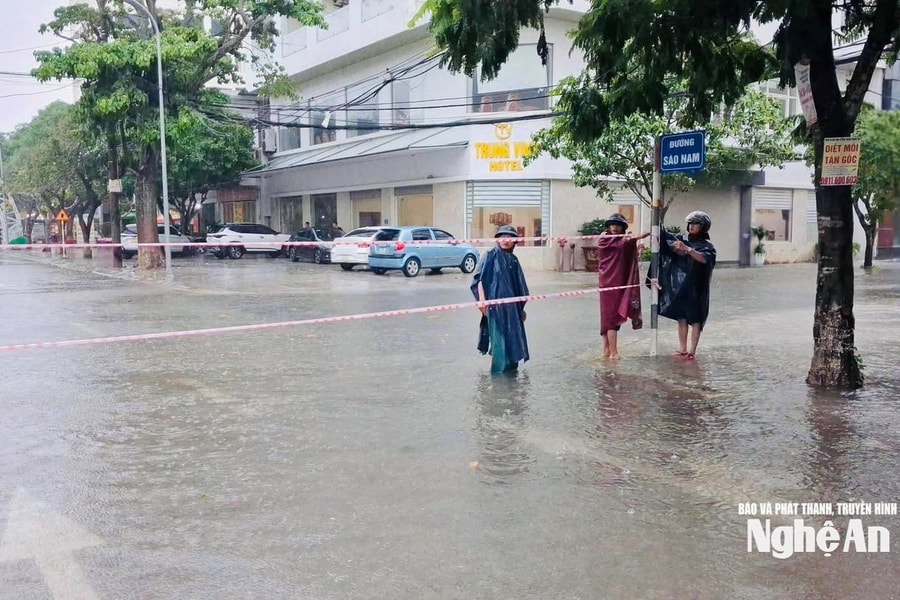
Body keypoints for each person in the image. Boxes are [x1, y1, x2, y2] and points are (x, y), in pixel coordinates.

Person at [470, 225, 530, 374]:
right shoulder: (490, 255)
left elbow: (520, 287)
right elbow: (479, 280)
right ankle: (498, 379)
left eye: (509, 237)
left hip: (512, 310)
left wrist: (521, 309)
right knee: (499, 342)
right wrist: (481, 301)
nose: (506, 240)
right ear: (497, 239)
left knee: (513, 340)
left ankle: (511, 375)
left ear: (515, 241)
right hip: (494, 308)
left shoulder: (514, 260)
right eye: (502, 237)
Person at [658, 211, 717, 360]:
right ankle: (682, 349)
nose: (692, 226)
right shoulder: (682, 239)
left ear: (703, 227)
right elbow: (667, 239)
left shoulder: (707, 246)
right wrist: (656, 221)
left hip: (697, 289)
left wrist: (688, 250)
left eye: (696, 224)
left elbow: (705, 259)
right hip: (681, 287)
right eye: (690, 223)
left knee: (696, 320)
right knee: (681, 318)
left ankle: (692, 351)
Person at [597, 213, 650, 359]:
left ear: (622, 228)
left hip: (618, 282)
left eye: (618, 225)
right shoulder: (604, 239)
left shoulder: (622, 240)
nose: (614, 227)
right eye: (612, 224)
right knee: (610, 317)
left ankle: (608, 350)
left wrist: (636, 243)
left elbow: (626, 248)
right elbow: (620, 245)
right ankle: (613, 353)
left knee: (610, 316)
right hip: (608, 283)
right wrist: (638, 237)